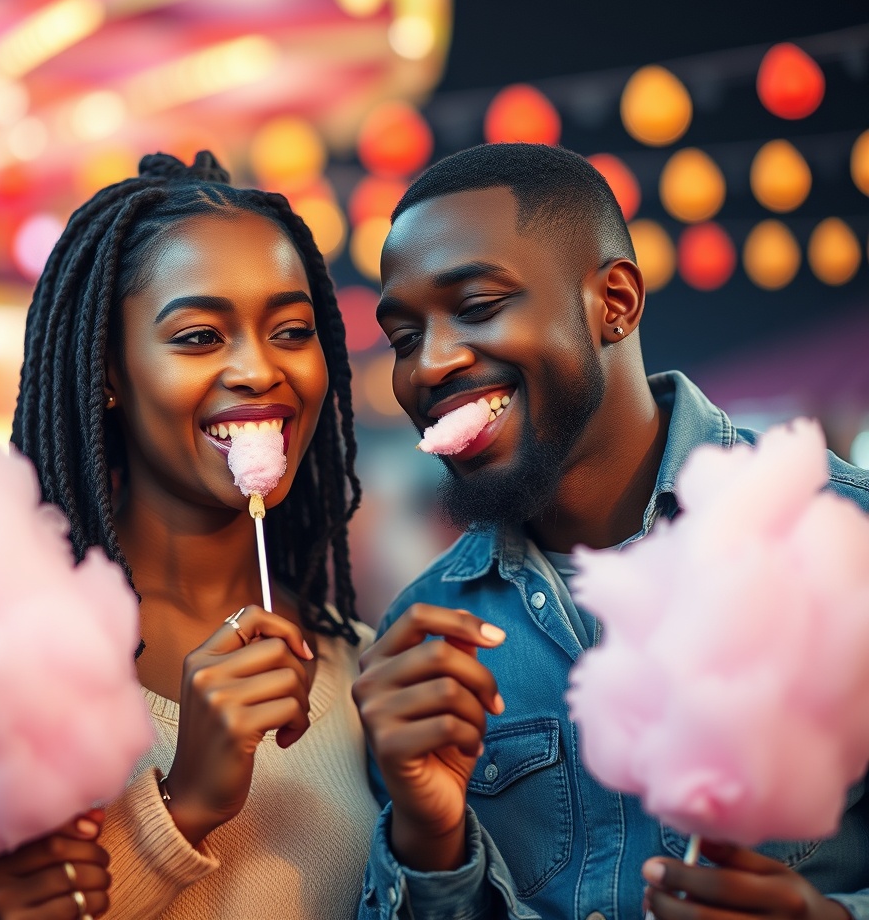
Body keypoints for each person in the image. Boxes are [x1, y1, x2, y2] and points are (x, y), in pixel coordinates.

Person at [0, 151, 381, 919]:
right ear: (107, 371)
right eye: (199, 337)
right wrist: (177, 809)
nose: (259, 369)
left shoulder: (362, 666)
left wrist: (436, 839)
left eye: (292, 331)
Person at [352, 142, 869, 920]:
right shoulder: (424, 638)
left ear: (615, 302)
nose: (429, 365)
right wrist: (429, 841)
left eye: (478, 306)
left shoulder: (843, 536)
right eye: (403, 338)